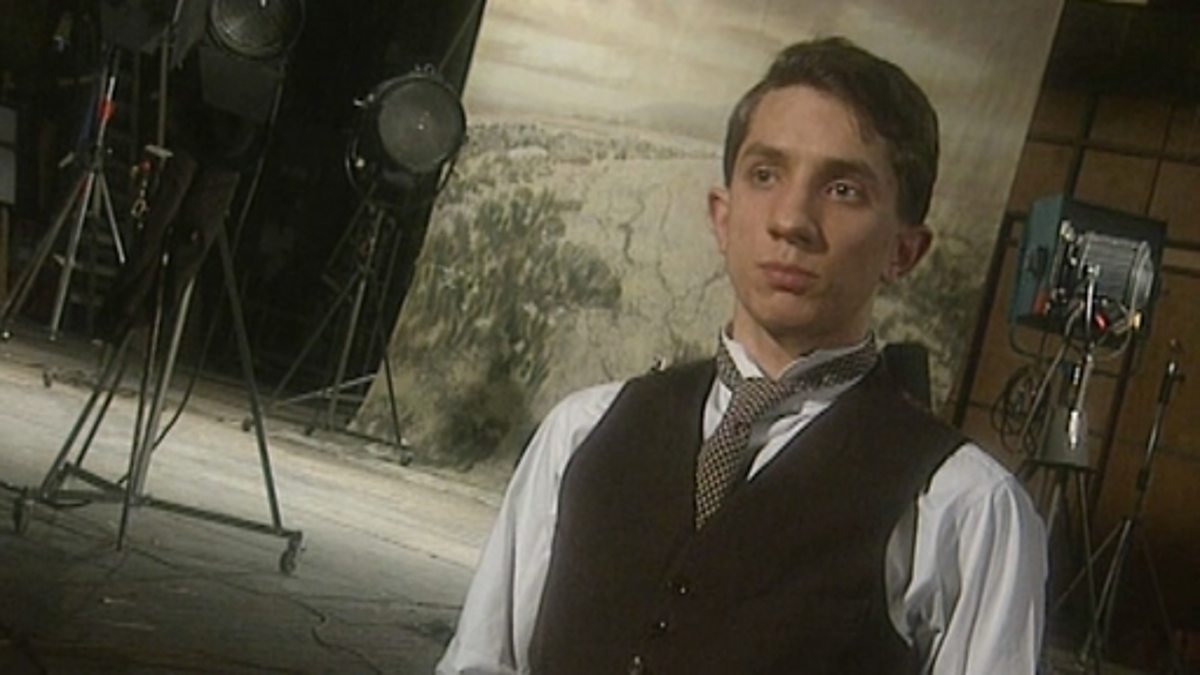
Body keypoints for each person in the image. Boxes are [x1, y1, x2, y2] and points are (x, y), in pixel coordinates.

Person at [437, 37, 1046, 675]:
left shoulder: (963, 508)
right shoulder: (581, 433)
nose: (792, 220)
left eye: (843, 189)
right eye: (765, 174)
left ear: (904, 251)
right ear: (722, 217)